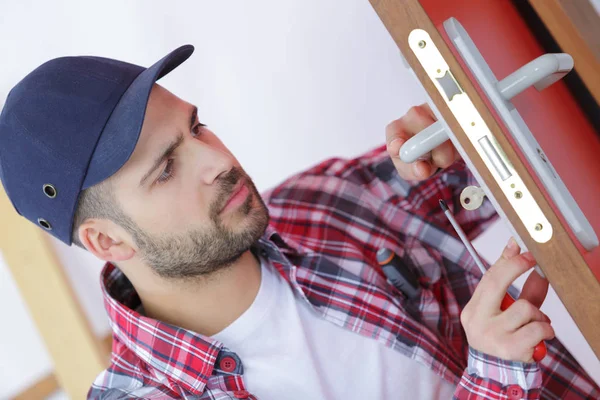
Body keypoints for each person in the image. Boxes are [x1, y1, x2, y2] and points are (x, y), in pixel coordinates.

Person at [0, 45, 597, 400]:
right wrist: (497, 378)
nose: (217, 162)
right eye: (166, 169)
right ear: (108, 240)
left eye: (197, 127)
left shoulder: (321, 203)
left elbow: (545, 149)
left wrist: (455, 137)